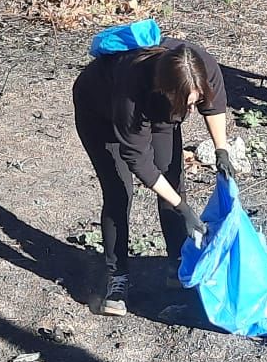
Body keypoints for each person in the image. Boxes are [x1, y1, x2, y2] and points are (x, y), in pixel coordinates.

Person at [72, 39, 245, 317]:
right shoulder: (131, 91)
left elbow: (214, 107)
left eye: (195, 102)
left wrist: (221, 150)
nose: (191, 111)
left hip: (161, 109)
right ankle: (118, 278)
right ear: (166, 90)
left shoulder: (202, 65)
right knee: (119, 193)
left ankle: (178, 264)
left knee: (173, 179)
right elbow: (140, 163)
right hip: (100, 113)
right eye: (187, 104)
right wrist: (183, 208)